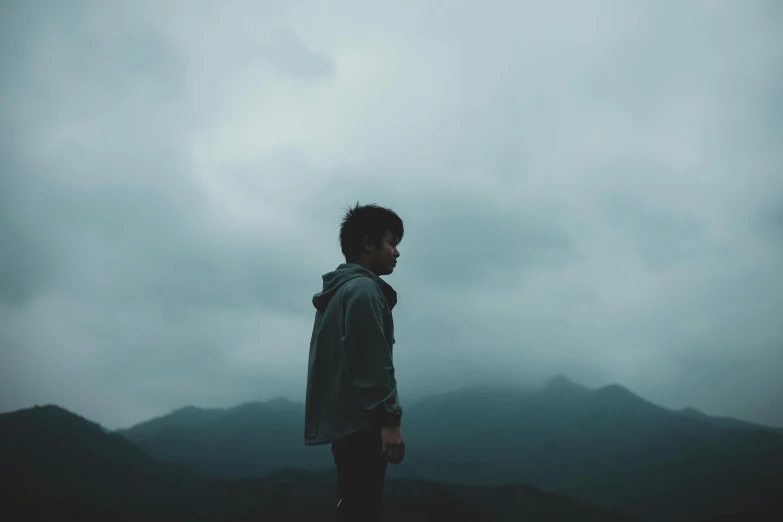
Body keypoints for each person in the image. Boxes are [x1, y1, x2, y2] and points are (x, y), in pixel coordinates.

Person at [304, 202, 406, 522]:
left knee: (353, 507)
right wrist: (389, 421)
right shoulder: (363, 290)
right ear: (367, 243)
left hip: (344, 424)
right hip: (364, 425)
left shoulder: (339, 292)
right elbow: (371, 360)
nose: (396, 253)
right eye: (392, 243)